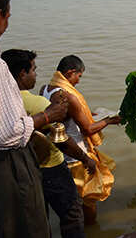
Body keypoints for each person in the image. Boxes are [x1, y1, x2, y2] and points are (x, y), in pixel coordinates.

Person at [0, 0, 68, 238]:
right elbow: (6, 134)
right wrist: (47, 116)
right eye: (6, 16)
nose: (6, 24)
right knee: (28, 228)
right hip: (5, 164)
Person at [2, 49, 99, 238]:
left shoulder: (2, 101)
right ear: (22, 74)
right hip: (51, 167)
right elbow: (61, 139)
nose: (35, 75)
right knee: (72, 213)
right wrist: (85, 158)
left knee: (38, 217)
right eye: (33, 70)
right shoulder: (36, 103)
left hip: (20, 170)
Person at [40, 55, 120, 224]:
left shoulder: (46, 89)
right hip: (76, 156)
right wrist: (109, 120)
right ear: (70, 72)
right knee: (89, 199)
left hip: (57, 155)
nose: (78, 81)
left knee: (71, 200)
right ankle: (91, 227)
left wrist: (89, 114)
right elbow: (87, 129)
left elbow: (70, 117)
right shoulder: (69, 96)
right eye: (79, 76)